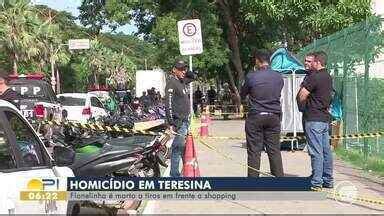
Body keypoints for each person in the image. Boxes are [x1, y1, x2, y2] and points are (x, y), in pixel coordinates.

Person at [240, 50, 284, 177]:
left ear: (258, 61)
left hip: (256, 115)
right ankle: (280, 181)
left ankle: (253, 183)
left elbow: (243, 94)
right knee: (274, 150)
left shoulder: (251, 76)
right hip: (274, 116)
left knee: (254, 151)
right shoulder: (278, 77)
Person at [297, 51, 333, 190]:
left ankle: (316, 182)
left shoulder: (315, 77)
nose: (310, 63)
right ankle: (328, 179)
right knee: (326, 151)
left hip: (313, 118)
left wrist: (304, 102)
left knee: (315, 152)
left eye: (312, 61)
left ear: (317, 62)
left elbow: (302, 95)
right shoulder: (328, 76)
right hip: (324, 119)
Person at [165, 60, 191, 177]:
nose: (183, 71)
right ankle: (174, 175)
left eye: (184, 69)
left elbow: (194, 76)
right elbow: (168, 104)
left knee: (185, 149)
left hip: (186, 121)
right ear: (174, 70)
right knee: (177, 149)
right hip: (179, 122)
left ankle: (187, 171)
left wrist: (186, 72)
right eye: (180, 69)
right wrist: (171, 123)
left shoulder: (182, 81)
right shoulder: (171, 83)